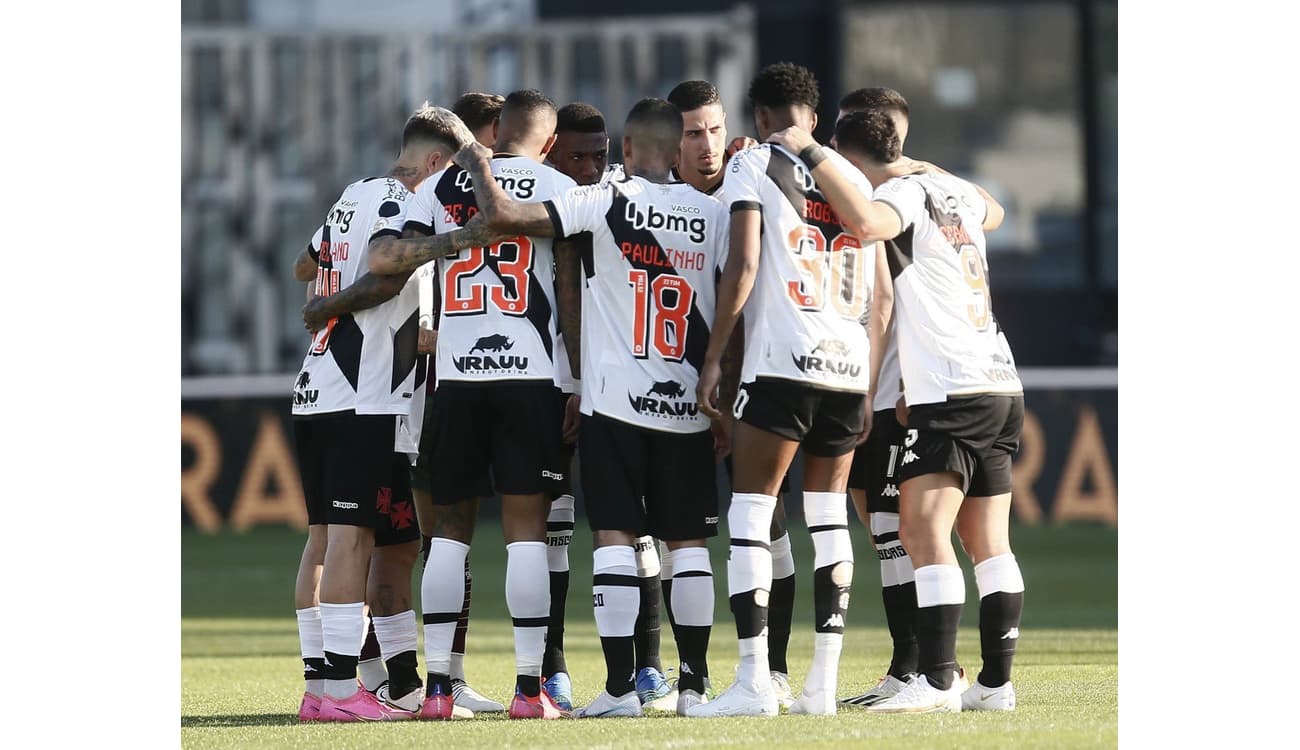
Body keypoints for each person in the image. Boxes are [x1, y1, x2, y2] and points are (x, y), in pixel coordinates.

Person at [459, 96, 726, 719]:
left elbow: (501, 215)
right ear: (680, 150)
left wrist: (478, 158)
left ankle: (617, 690)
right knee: (687, 546)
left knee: (614, 538)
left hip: (613, 403)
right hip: (687, 404)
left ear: (627, 150)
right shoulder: (715, 214)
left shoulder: (604, 200)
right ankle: (692, 687)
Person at [368, 88, 577, 720]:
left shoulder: (437, 191)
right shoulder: (556, 185)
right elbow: (567, 290)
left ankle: (436, 690)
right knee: (525, 536)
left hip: (456, 380)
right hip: (531, 379)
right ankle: (526, 689)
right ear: (546, 141)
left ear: (496, 131)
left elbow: (388, 259)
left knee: (448, 537)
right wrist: (576, 380)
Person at [690, 62, 892, 717]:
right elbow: (881, 293)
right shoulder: (852, 178)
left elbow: (744, 263)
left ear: (760, 118)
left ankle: (754, 682)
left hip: (782, 360)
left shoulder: (754, 168)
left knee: (752, 510)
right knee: (830, 515)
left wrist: (715, 357)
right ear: (814, 110)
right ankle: (821, 688)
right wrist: (866, 380)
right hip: (845, 364)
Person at [288, 104, 492, 722]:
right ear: (435, 162)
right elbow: (382, 264)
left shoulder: (352, 194)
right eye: (450, 171)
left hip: (321, 389)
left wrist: (326, 300)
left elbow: (307, 263)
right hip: (361, 393)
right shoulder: (403, 201)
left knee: (355, 539)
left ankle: (348, 688)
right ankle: (341, 692)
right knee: (353, 541)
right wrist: (457, 240)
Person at [816, 109, 1024, 713]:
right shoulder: (953, 188)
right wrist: (924, 166)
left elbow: (866, 222)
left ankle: (935, 682)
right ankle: (995, 685)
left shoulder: (898, 193)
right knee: (989, 541)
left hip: (951, 389)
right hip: (999, 380)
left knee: (920, 532)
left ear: (853, 157)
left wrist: (809, 155)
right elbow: (996, 209)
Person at [666, 78, 799, 707]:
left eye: (715, 129)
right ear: (672, 141)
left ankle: (772, 668)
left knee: (768, 522)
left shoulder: (755, 182)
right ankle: (671, 673)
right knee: (667, 533)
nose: (708, 144)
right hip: (665, 389)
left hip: (746, 383)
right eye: (694, 132)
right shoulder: (644, 201)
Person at [398, 90, 510, 717]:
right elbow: (392, 306)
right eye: (483, 143)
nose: (487, 157)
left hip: (434, 393)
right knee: (415, 540)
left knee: (440, 539)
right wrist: (442, 337)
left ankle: (444, 674)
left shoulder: (437, 207)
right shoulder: (422, 208)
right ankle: (388, 672)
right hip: (412, 396)